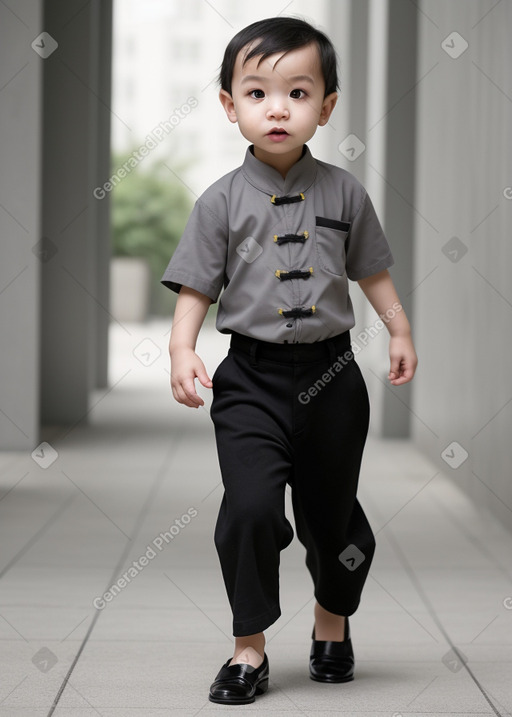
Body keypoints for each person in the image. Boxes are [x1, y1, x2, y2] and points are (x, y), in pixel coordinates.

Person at [161, 16, 418, 706]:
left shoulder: (345, 193)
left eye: (298, 93)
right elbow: (196, 285)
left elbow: (373, 274)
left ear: (326, 107)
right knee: (247, 509)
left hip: (333, 378)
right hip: (250, 379)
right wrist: (182, 345)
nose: (278, 108)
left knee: (330, 519)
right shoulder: (218, 202)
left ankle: (331, 621)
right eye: (258, 92)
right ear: (229, 105)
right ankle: (249, 648)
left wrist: (398, 331)